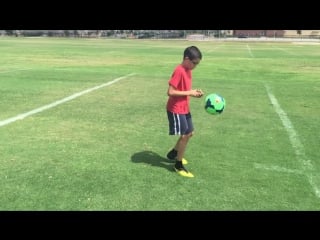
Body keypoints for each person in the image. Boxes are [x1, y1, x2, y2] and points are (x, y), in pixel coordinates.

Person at [166, 46, 204, 178]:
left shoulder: (188, 70)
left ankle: (173, 153)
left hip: (184, 107)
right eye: (195, 63)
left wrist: (194, 92)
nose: (195, 66)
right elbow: (170, 92)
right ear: (187, 59)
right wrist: (190, 93)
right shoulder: (179, 70)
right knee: (185, 135)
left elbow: (185, 89)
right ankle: (178, 164)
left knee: (190, 133)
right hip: (176, 108)